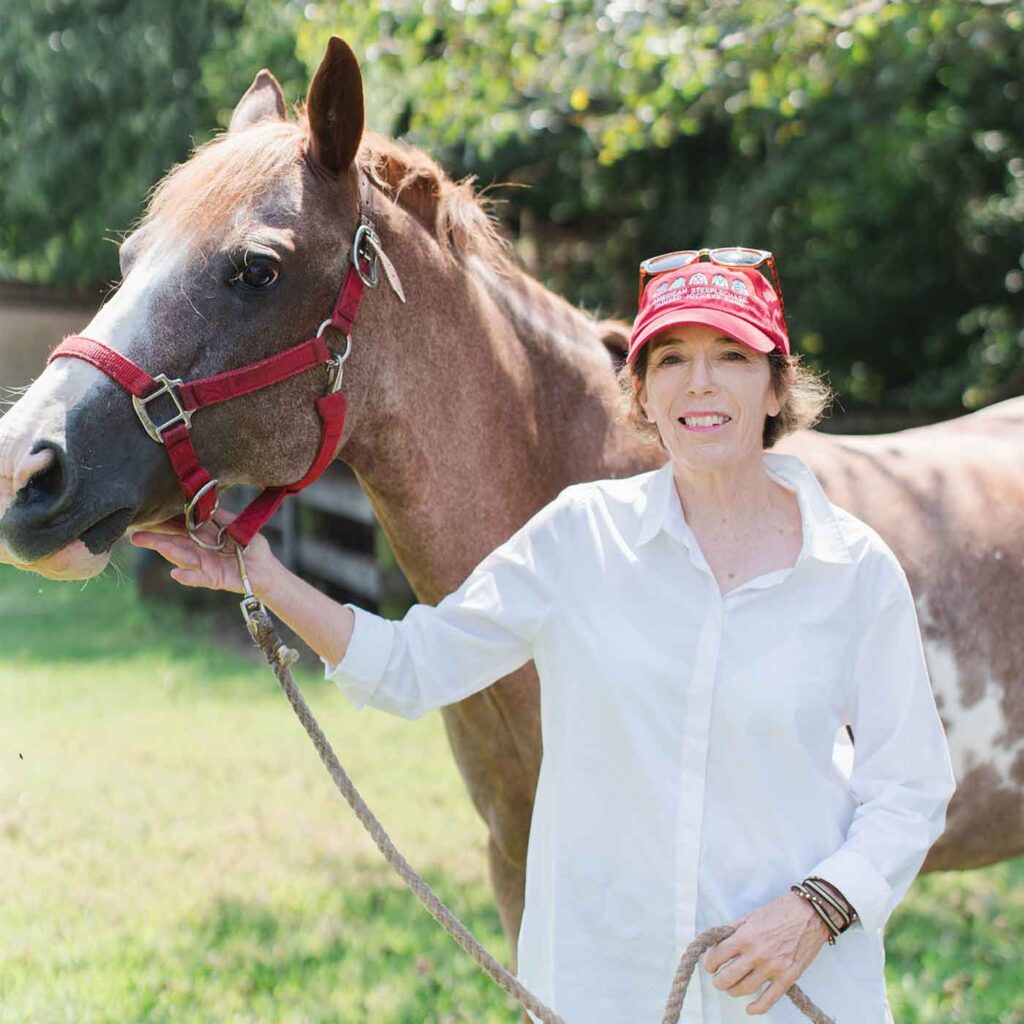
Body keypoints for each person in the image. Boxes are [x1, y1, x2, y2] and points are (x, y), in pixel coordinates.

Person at [131, 248, 956, 1023]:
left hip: (794, 992)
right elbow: (416, 666)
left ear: (776, 388)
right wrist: (264, 580)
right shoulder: (578, 538)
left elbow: (910, 788)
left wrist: (817, 910)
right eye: (671, 359)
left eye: (732, 356)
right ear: (642, 394)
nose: (701, 385)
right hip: (605, 985)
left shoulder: (852, 569)